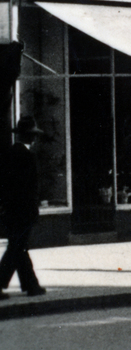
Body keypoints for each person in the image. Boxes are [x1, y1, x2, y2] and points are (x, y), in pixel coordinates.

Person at [0, 116, 46, 298]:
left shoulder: (9, 154)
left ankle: (30, 285)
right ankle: (30, 285)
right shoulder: (28, 156)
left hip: (11, 210)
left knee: (18, 248)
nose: (34, 138)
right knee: (17, 248)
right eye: (33, 135)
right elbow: (28, 187)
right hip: (24, 211)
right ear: (30, 136)